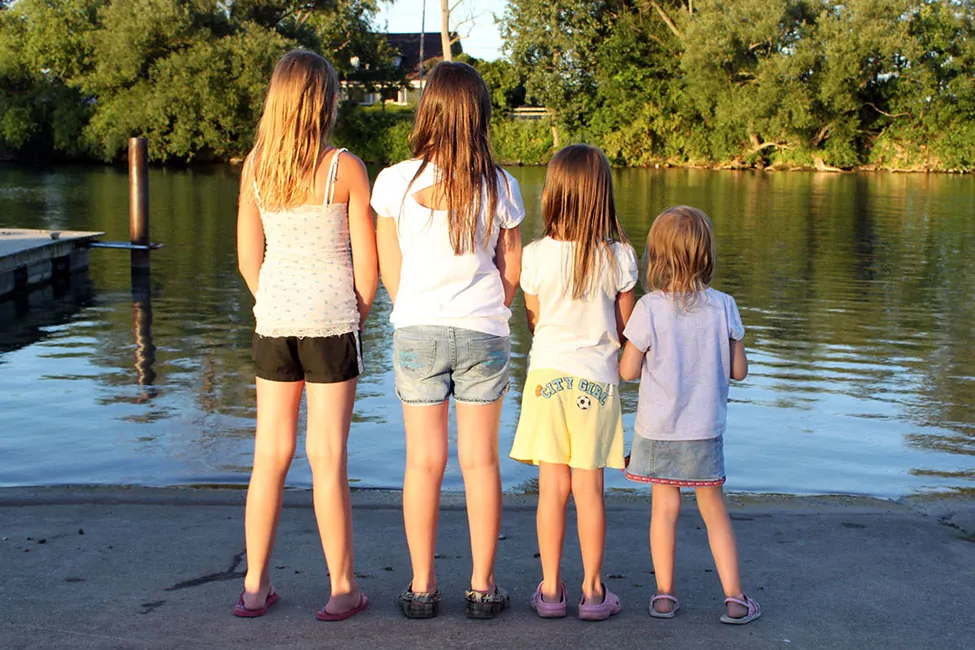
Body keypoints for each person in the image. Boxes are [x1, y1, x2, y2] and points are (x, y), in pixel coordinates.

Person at [371, 61, 524, 620]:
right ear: (479, 116)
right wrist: (488, 309)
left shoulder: (393, 182)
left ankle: (421, 588)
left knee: (422, 463)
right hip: (483, 330)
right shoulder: (502, 185)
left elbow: (392, 271)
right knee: (480, 462)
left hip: (418, 329)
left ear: (427, 111)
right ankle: (482, 589)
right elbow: (512, 268)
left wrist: (416, 309)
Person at [234, 50, 378, 621]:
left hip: (274, 319)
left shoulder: (255, 166)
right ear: (327, 101)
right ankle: (341, 588)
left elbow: (249, 259)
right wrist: (352, 316)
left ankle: (253, 585)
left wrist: (274, 302)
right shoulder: (345, 168)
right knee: (328, 456)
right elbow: (367, 271)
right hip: (331, 323)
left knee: (269, 455)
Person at [508, 144, 636, 621]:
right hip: (597, 385)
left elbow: (535, 321)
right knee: (590, 491)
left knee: (550, 490)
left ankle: (549, 590)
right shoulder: (618, 257)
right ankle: (594, 591)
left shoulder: (535, 256)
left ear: (553, 195)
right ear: (602, 195)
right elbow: (626, 330)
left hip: (545, 382)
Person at [619, 205, 761, 624]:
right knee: (714, 512)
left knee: (664, 511)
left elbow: (628, 372)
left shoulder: (648, 308)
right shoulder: (724, 307)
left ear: (657, 257)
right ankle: (734, 599)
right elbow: (738, 371)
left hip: (658, 430)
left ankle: (664, 596)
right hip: (704, 431)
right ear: (707, 255)